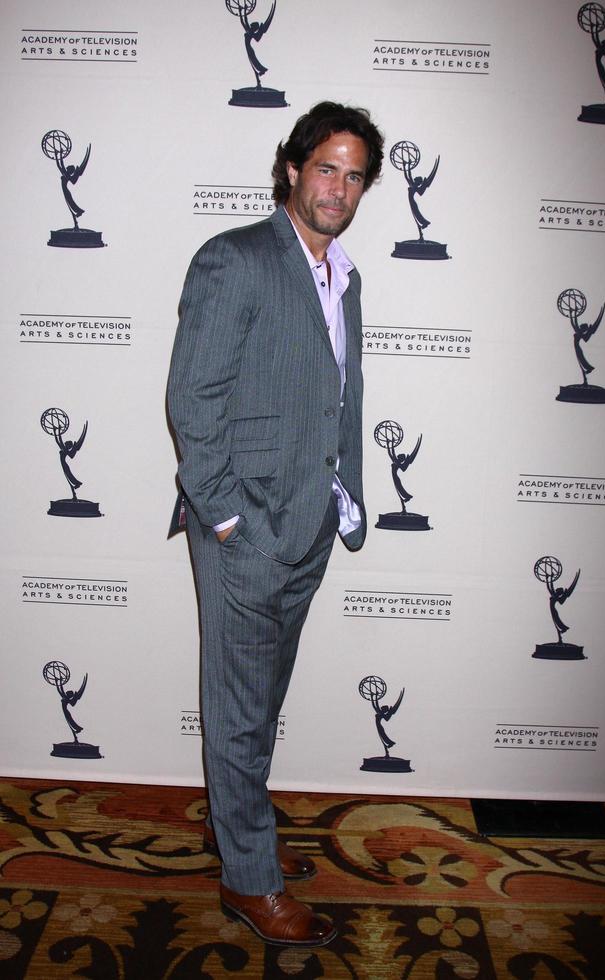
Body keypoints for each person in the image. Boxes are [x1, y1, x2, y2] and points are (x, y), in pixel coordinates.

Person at [167, 102, 383, 947]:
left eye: (355, 174)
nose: (339, 187)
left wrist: (341, 503)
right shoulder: (236, 260)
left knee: (259, 701)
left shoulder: (345, 275)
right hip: (246, 530)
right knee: (238, 707)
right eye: (326, 167)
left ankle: (233, 831)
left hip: (308, 523)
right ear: (292, 169)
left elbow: (334, 395)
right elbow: (193, 402)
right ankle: (248, 884)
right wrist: (227, 520)